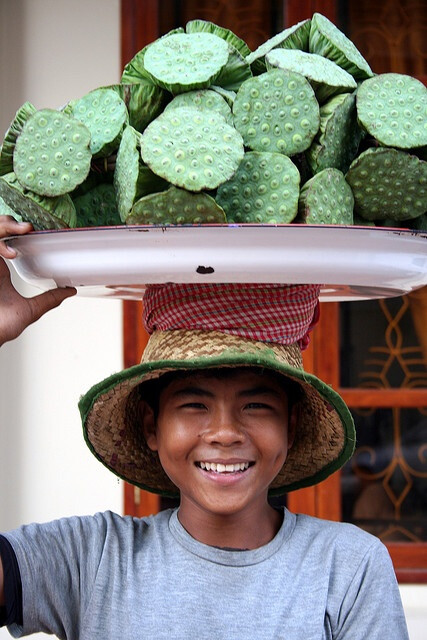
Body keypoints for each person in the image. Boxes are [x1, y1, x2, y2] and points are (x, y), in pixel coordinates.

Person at [0, 216, 409, 639]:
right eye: (194, 404)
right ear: (151, 425)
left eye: (255, 404)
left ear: (291, 424)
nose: (225, 432)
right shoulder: (92, 558)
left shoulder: (347, 567)